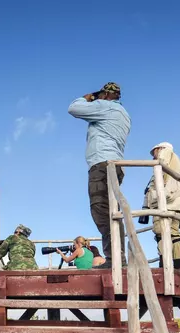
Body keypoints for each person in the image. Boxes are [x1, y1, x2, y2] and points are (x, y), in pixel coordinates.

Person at [68, 82, 131, 269]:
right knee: (113, 213)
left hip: (101, 165)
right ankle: (118, 259)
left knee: (101, 212)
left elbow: (73, 108)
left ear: (105, 94)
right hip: (115, 165)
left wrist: (88, 98)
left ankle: (115, 260)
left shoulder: (104, 106)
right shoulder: (124, 114)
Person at [140, 142, 180, 270]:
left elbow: (161, 165)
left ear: (160, 149)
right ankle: (177, 266)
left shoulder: (166, 153)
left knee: (161, 234)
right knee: (174, 235)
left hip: (165, 202)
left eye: (154, 152)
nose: (153, 157)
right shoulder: (178, 163)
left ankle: (164, 266)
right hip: (177, 204)